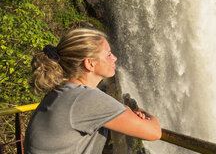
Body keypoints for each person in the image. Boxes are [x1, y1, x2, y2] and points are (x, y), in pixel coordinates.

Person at [24, 28, 161, 154]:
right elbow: (154, 132)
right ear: (90, 63)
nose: (114, 58)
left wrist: (124, 111)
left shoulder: (61, 91)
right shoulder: (85, 98)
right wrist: (144, 113)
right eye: (108, 54)